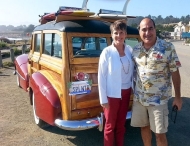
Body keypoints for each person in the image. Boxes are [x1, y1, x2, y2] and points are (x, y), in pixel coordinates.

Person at [131, 18, 183, 146]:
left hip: (159, 100)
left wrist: (178, 97)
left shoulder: (167, 47)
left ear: (155, 29)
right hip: (140, 99)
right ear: (139, 31)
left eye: (150, 28)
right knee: (144, 128)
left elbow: (175, 73)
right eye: (144, 29)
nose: (147, 32)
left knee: (160, 134)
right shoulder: (136, 50)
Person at [98, 19, 133, 146]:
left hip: (126, 91)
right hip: (112, 94)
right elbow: (101, 76)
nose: (119, 36)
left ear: (126, 34)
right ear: (111, 35)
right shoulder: (107, 52)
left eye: (122, 32)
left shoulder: (129, 49)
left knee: (121, 125)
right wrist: (103, 99)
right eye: (116, 33)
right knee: (110, 125)